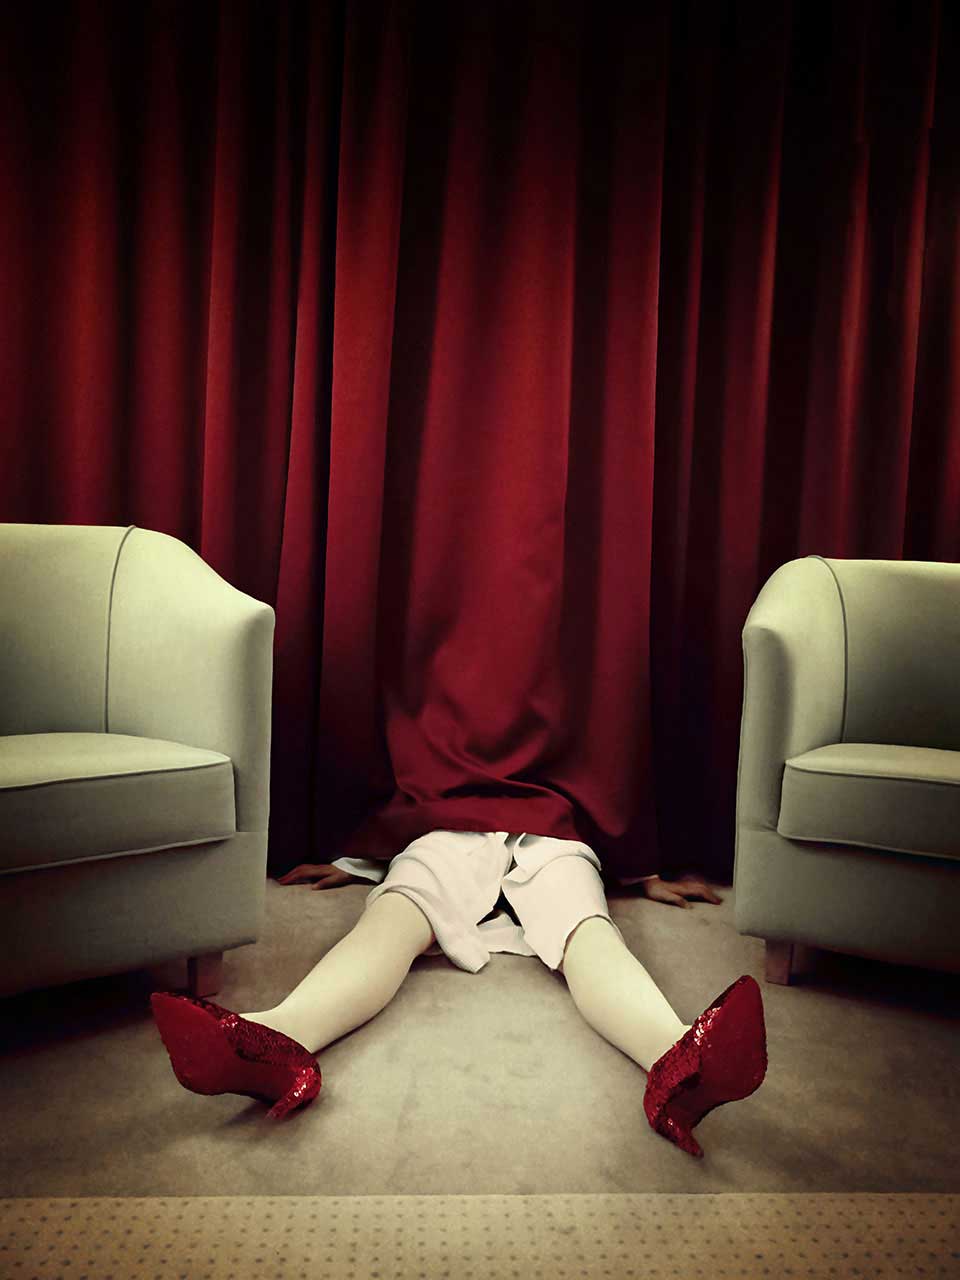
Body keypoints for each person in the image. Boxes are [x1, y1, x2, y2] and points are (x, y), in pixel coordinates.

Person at [151, 830, 767, 1159]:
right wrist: (361, 858)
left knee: (585, 926)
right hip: (442, 828)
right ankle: (278, 1038)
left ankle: (676, 1059)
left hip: (554, 832)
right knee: (396, 913)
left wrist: (643, 870)